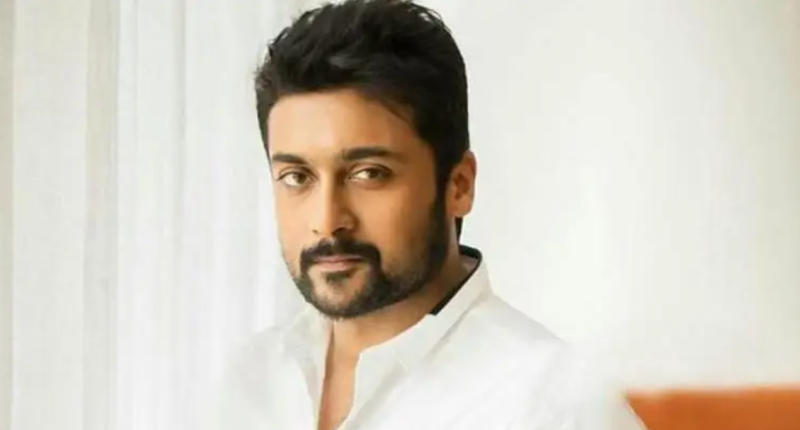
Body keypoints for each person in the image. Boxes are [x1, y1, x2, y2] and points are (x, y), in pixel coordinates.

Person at [208, 0, 647, 429]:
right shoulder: (253, 381)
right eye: (297, 177)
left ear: (459, 186)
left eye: (369, 173)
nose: (327, 220)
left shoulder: (556, 409)